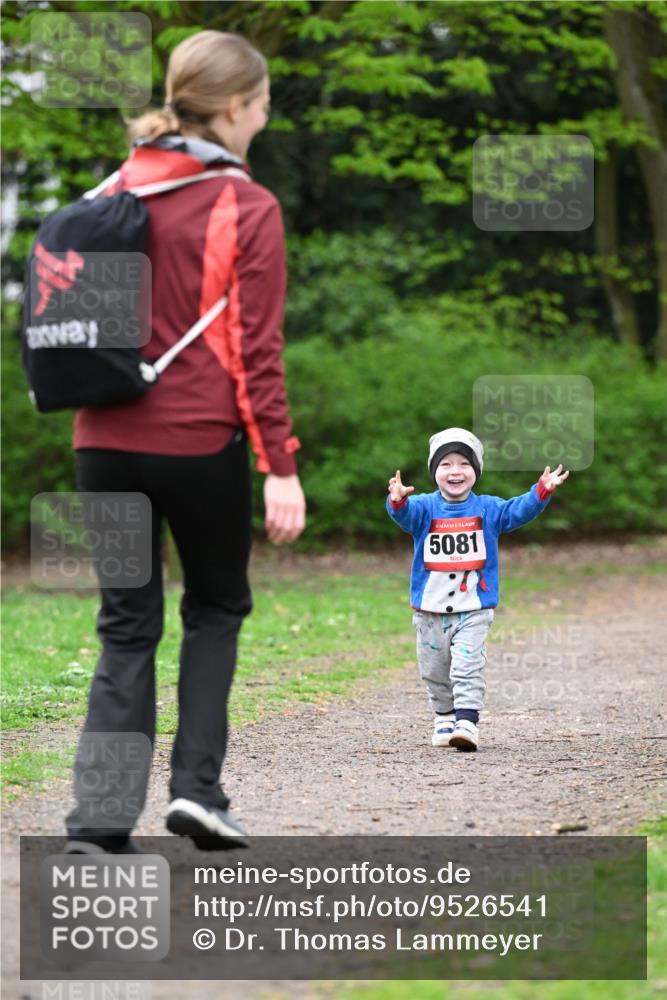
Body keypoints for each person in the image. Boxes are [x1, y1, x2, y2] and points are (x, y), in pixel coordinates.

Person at [65, 31, 305, 854]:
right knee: (215, 607)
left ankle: (97, 824)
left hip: (98, 441)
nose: (264, 122)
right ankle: (197, 793)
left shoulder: (109, 188)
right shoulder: (248, 206)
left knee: (126, 624)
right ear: (235, 107)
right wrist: (280, 466)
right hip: (197, 441)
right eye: (264, 106)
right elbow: (257, 353)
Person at [386, 427, 568, 752]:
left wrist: (541, 491)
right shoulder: (424, 508)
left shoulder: (488, 509)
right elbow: (405, 515)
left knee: (466, 666)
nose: (455, 471)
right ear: (434, 472)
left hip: (474, 608)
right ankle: (444, 717)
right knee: (434, 670)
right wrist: (398, 500)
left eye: (463, 464)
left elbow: (518, 510)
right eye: (446, 464)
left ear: (476, 471)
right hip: (430, 611)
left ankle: (467, 722)